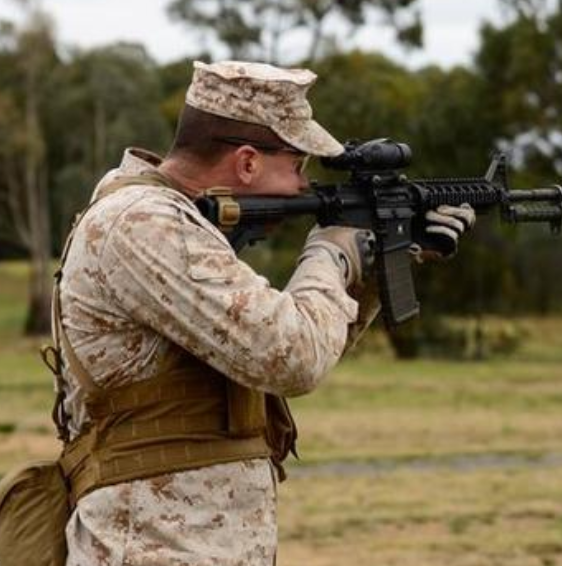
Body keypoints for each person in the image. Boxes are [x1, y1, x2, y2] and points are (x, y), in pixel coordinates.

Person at [51, 60, 475, 565]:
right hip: (153, 548)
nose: (302, 186)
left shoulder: (174, 222)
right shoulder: (143, 222)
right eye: (297, 166)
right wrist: (330, 255)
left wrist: (380, 264)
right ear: (247, 162)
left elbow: (301, 346)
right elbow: (291, 357)